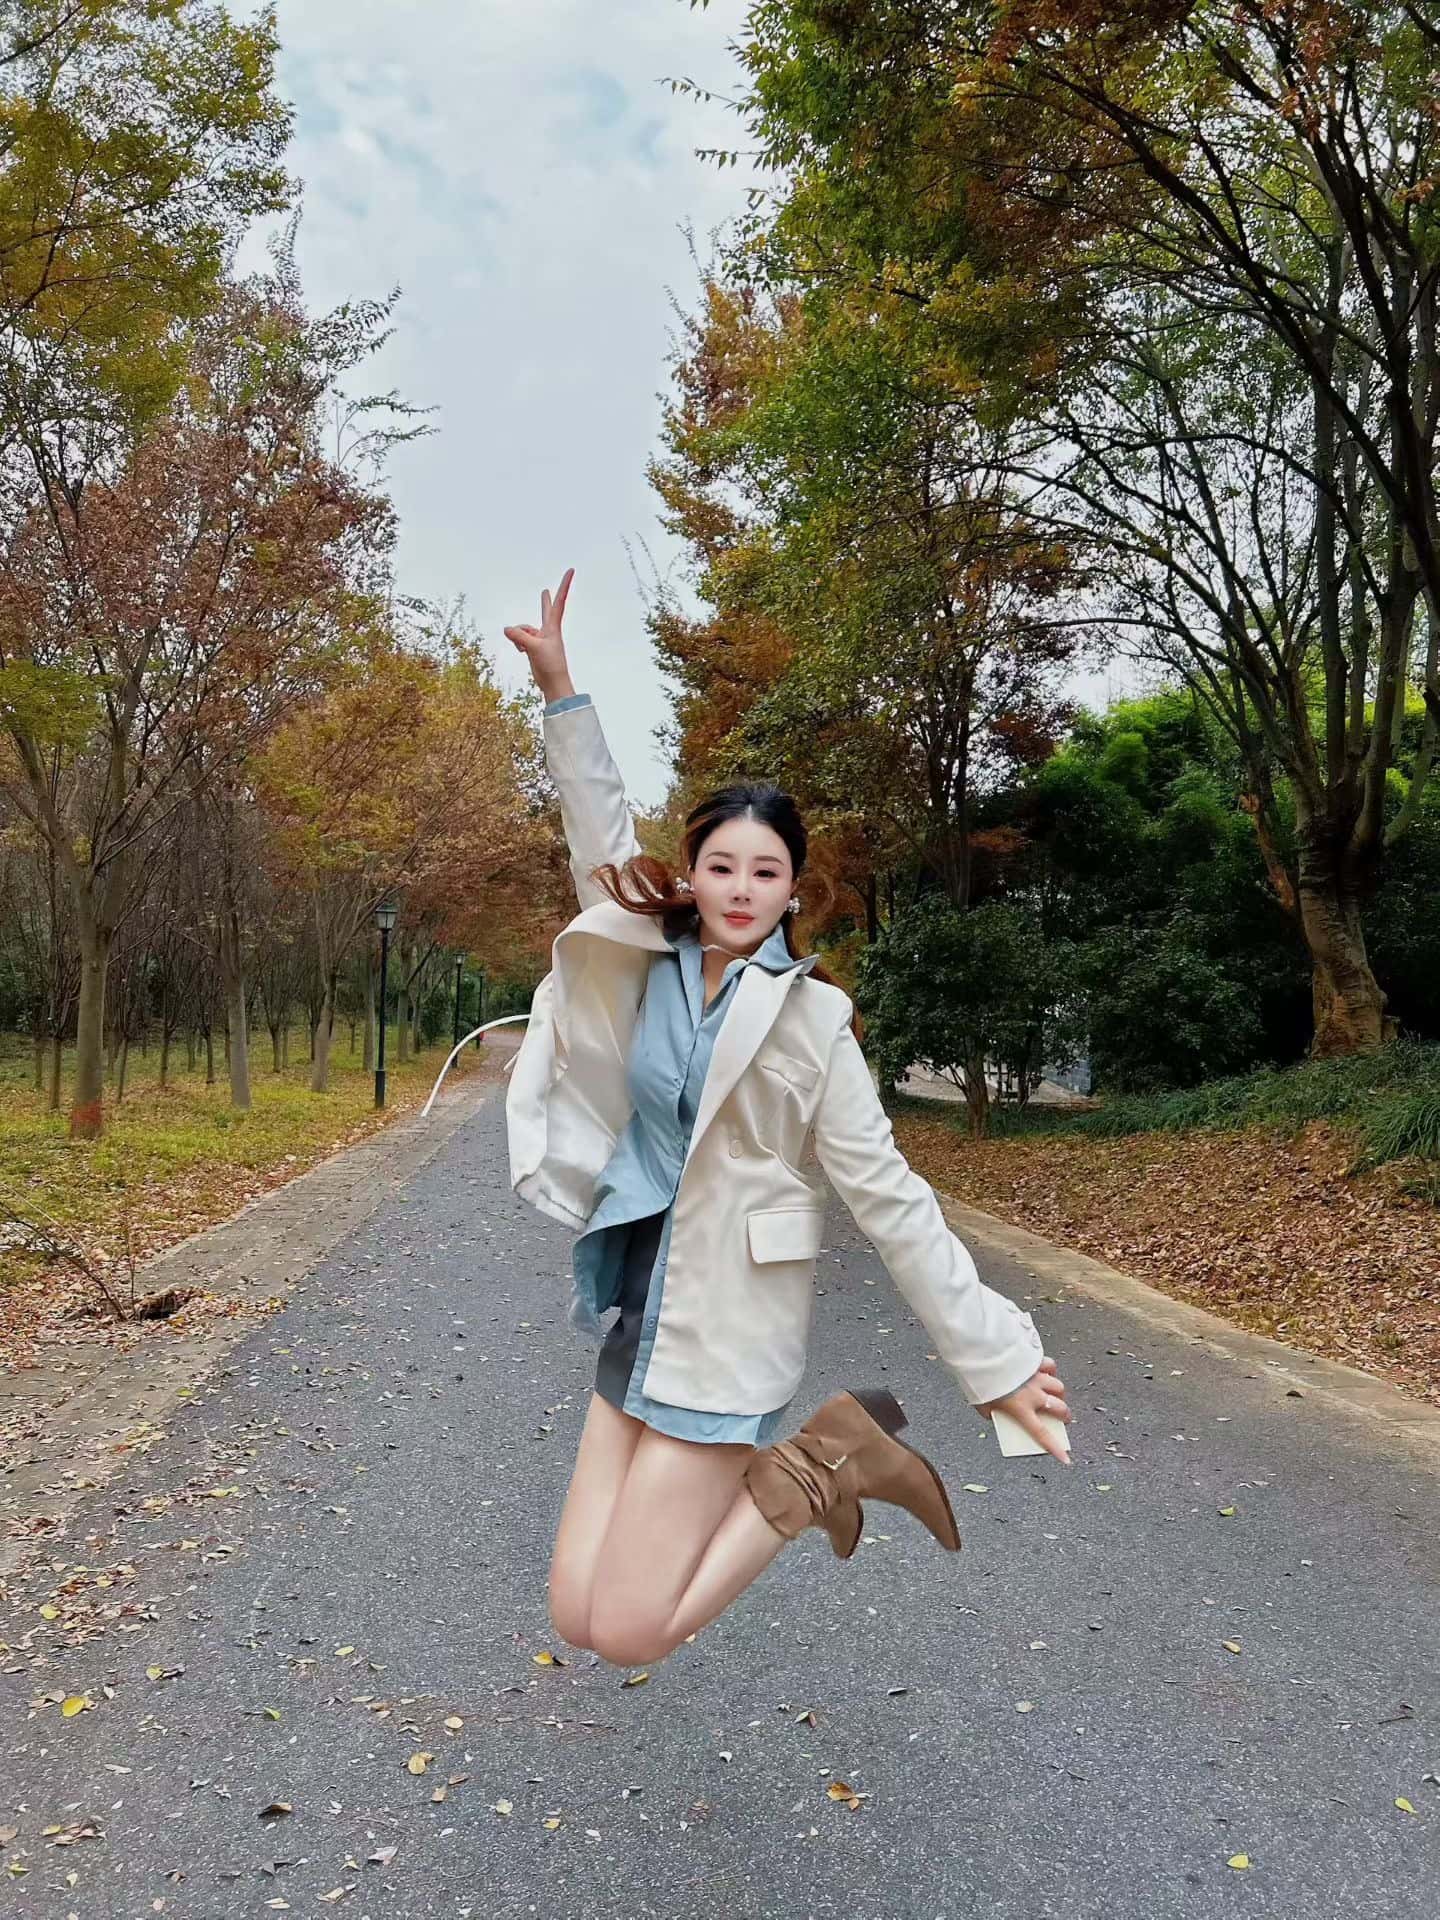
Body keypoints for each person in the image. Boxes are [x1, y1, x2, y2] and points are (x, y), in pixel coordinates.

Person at [502, 568, 1072, 1670]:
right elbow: (598, 831)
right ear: (693, 871)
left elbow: (890, 1197)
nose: (740, 886)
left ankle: (830, 1459)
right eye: (721, 864)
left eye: (765, 871)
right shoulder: (642, 959)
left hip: (727, 1335)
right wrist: (561, 688)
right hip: (638, 1313)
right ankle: (823, 1463)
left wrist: (995, 1359)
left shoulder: (815, 1023)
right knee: (575, 1613)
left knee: (629, 1630)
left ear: (791, 889)